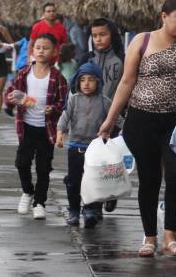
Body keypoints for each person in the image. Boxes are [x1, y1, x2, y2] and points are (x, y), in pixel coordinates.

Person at [98, 0, 176, 258]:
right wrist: (110, 120)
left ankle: (170, 236)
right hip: (141, 121)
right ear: (163, 16)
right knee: (149, 179)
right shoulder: (142, 41)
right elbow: (126, 82)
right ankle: (149, 237)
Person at [5, 33, 68, 220]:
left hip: (46, 129)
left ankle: (40, 202)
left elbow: (63, 103)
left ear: (54, 52)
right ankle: (27, 191)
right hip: (26, 127)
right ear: (33, 50)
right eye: (38, 47)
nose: (41, 51)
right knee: (22, 163)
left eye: (46, 48)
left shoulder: (58, 77)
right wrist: (11, 100)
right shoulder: (24, 73)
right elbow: (11, 92)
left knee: (43, 167)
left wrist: (53, 109)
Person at [80, 17, 125, 214]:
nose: (98, 39)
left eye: (103, 35)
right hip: (90, 116)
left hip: (114, 115)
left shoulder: (122, 59)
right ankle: (92, 203)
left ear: (112, 35)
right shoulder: (87, 59)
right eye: (94, 35)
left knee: (109, 159)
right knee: (90, 160)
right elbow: (77, 86)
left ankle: (110, 194)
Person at [56, 62, 110, 228]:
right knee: (74, 180)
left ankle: (89, 210)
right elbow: (64, 118)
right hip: (75, 147)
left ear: (98, 82)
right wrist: (60, 134)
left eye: (91, 80)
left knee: (93, 181)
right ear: (78, 83)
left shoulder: (104, 101)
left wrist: (124, 134)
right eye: (83, 80)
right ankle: (73, 210)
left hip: (95, 149)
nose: (86, 83)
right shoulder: (74, 100)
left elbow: (116, 119)